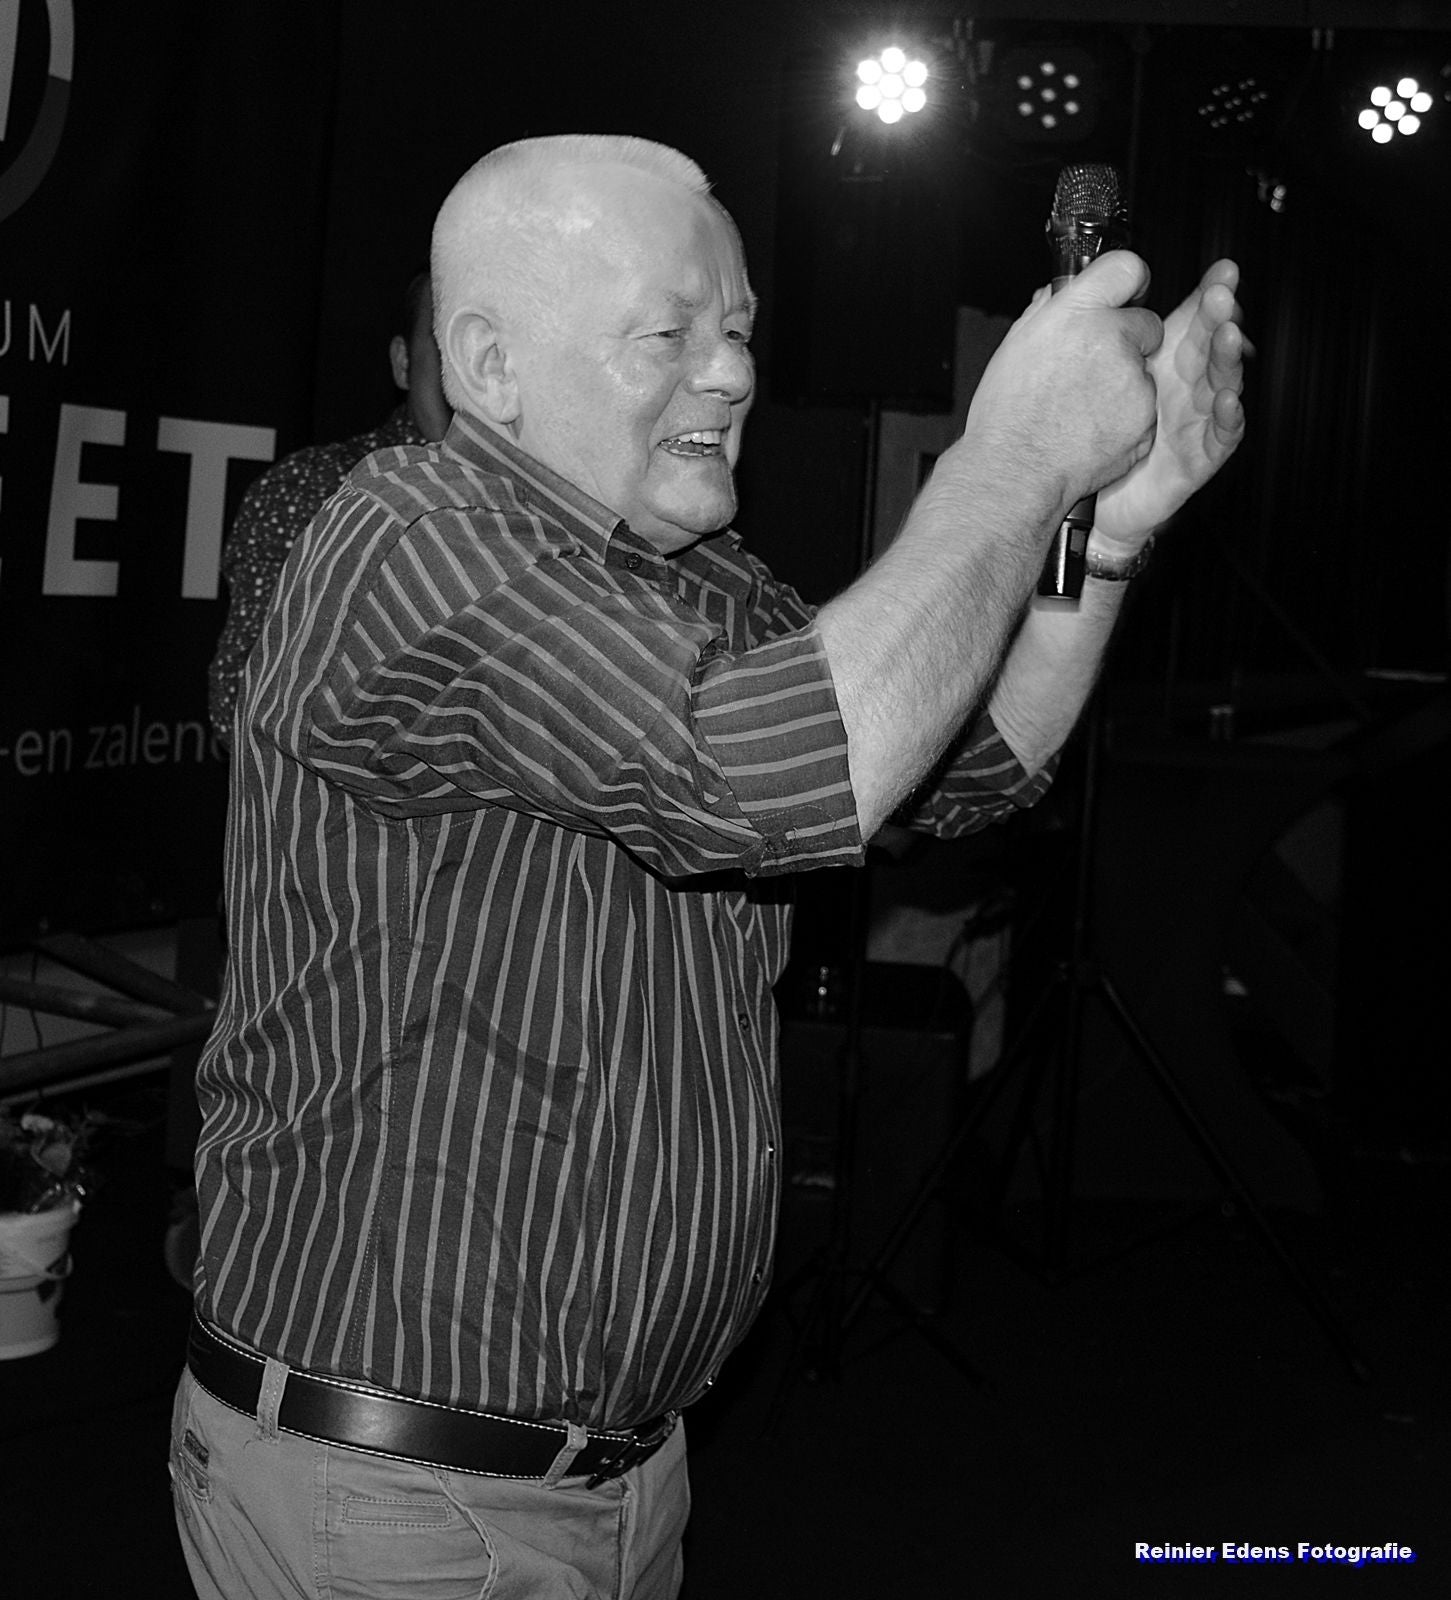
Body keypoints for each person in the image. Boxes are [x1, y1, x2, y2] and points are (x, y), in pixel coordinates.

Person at [170, 134, 1246, 1599]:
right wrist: (1007, 458)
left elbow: (967, 765)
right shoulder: (403, 536)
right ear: (486, 363)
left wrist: (1105, 532)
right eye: (668, 335)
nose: (732, 373)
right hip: (392, 1496)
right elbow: (779, 771)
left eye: (738, 331)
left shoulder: (697, 581)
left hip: (620, 1475)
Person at [206, 268, 452, 746]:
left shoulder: (553, 505)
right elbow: (243, 705)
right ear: (403, 362)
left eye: (492, 344)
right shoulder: (312, 490)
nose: (467, 369)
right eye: (446, 341)